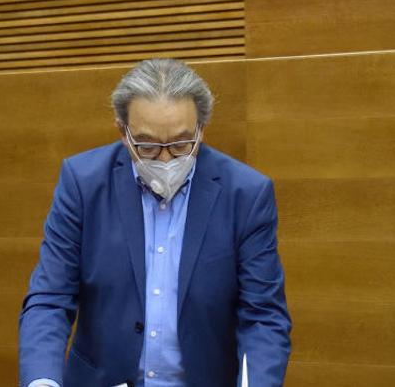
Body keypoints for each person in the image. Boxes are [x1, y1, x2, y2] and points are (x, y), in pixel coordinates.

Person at [19, 58, 291, 386]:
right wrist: (42, 381)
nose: (165, 159)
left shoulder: (245, 194)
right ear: (123, 132)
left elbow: (263, 316)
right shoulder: (84, 183)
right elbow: (50, 297)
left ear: (202, 129)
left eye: (180, 144)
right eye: (147, 146)